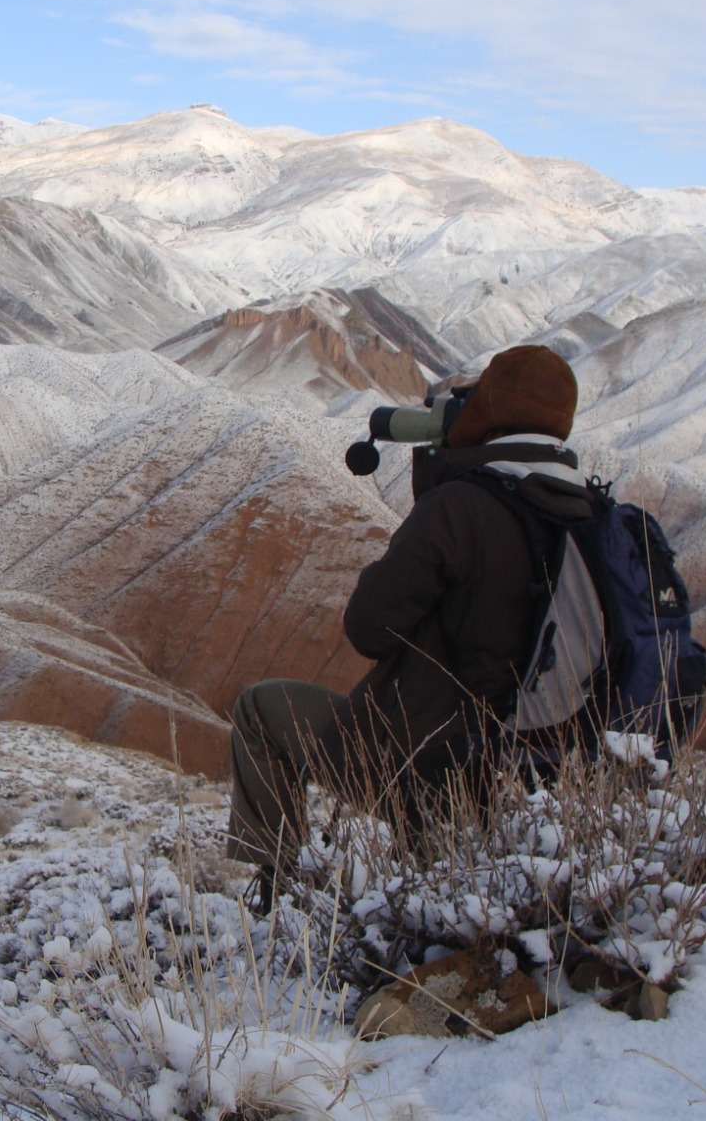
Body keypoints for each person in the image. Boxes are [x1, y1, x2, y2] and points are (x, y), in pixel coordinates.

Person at [224, 345, 596, 889]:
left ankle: (281, 888)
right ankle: (434, 869)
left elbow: (369, 628)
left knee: (260, 710)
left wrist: (432, 502)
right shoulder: (591, 513)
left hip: (431, 766)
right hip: (543, 774)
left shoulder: (461, 507)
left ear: (488, 411)